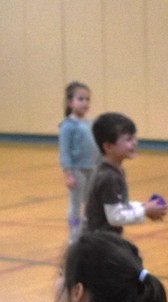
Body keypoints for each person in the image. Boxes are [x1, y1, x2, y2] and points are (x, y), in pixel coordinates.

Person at [84, 112, 168, 235]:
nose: (134, 142)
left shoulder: (114, 171)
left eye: (134, 138)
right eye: (128, 139)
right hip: (99, 242)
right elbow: (115, 217)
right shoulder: (109, 177)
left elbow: (118, 206)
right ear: (108, 146)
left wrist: (142, 206)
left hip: (106, 238)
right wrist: (145, 211)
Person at [58, 82, 99, 243]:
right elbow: (64, 151)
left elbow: (96, 148)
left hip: (92, 168)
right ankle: (74, 231)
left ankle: (88, 229)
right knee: (75, 204)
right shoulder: (67, 126)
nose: (85, 103)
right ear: (70, 103)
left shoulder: (89, 124)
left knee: (90, 202)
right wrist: (68, 174)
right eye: (80, 99)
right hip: (77, 170)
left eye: (87, 99)